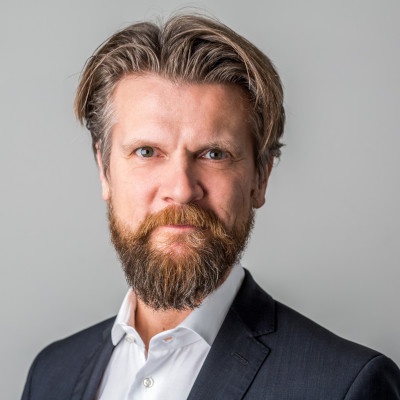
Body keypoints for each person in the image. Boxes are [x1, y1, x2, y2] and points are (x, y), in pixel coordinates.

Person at [21, 14, 400, 400]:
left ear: (260, 178)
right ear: (104, 170)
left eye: (214, 154)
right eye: (147, 151)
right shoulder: (51, 375)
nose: (182, 190)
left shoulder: (344, 386)